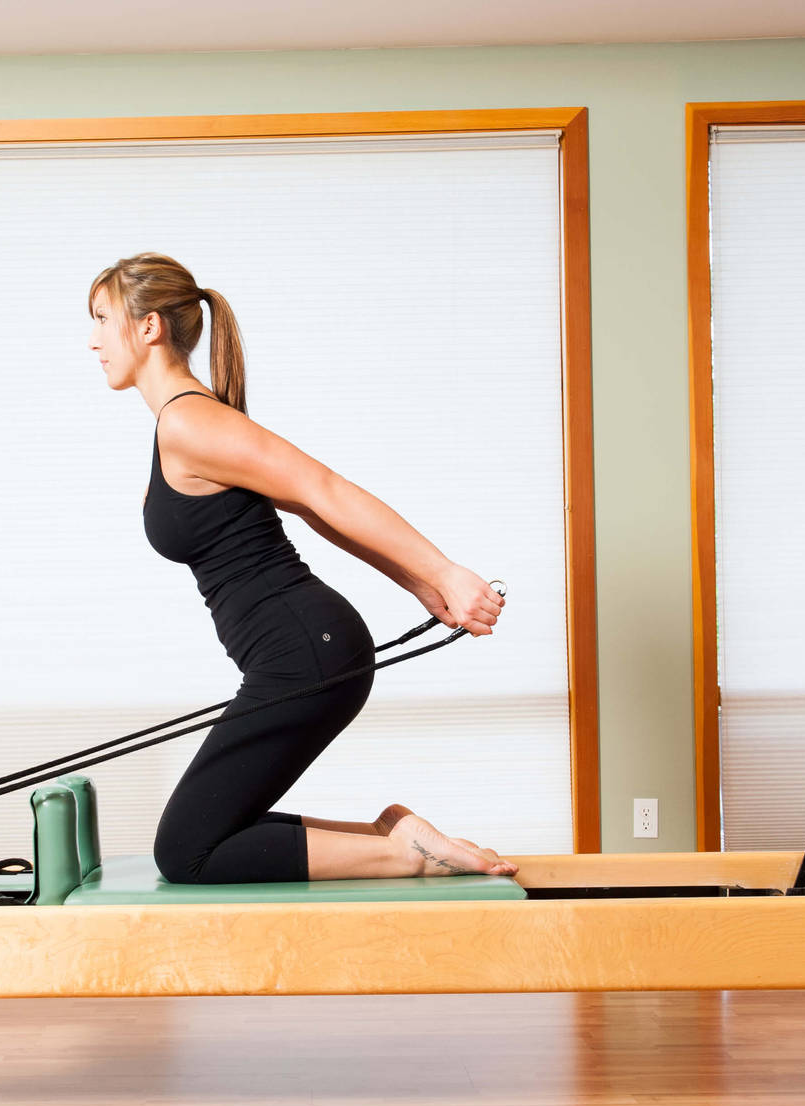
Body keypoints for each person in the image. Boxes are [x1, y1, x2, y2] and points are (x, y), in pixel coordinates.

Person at [89, 252, 514, 885]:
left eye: (101, 318)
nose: (92, 339)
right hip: (307, 650)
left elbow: (325, 490)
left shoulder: (190, 421)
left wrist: (445, 572)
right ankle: (394, 836)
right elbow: (315, 514)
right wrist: (423, 586)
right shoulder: (182, 422)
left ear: (148, 327)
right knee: (208, 834)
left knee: (186, 853)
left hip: (304, 652)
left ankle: (403, 855)